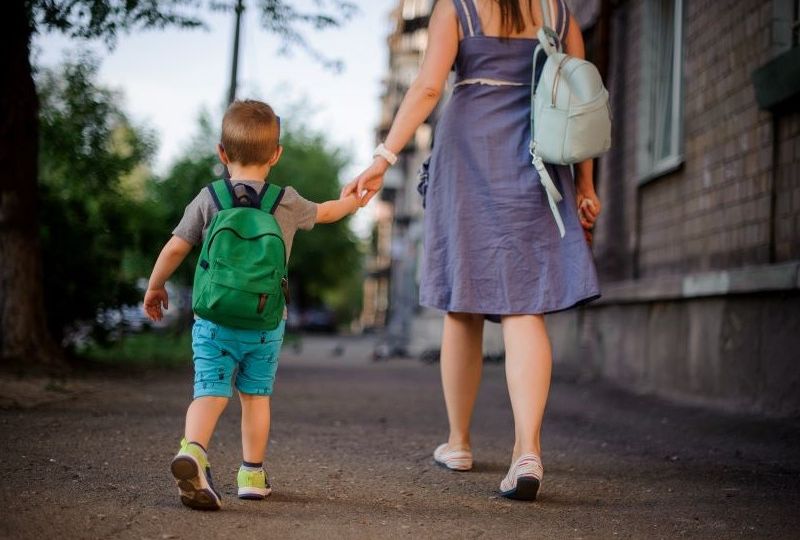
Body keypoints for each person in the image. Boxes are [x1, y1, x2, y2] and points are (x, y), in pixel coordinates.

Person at [343, 0, 601, 501]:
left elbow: (428, 87)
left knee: (463, 302)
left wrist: (383, 156)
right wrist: (586, 184)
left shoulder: (457, 8)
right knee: (525, 305)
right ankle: (527, 450)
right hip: (539, 159)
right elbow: (581, 100)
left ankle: (458, 442)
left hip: (467, 155)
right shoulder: (560, 11)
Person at [143, 99, 359, 511]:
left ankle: (195, 451)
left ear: (222, 153)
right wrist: (354, 200)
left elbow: (175, 247)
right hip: (264, 322)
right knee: (255, 397)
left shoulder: (209, 198)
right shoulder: (286, 201)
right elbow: (329, 212)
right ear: (276, 155)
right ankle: (252, 475)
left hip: (213, 319)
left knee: (209, 391)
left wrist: (155, 287)